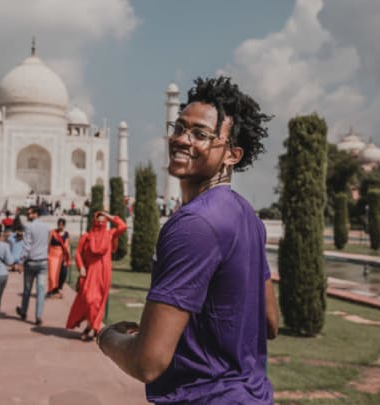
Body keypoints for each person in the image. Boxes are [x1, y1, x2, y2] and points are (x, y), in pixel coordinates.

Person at [97, 77, 279, 404]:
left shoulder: (193, 225)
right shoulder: (247, 215)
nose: (182, 139)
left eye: (201, 134)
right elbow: (269, 322)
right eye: (179, 127)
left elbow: (147, 363)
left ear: (232, 155)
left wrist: (108, 338)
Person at [66, 212, 126, 340]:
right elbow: (78, 253)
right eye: (98, 221)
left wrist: (108, 215)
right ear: (93, 221)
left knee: (98, 302)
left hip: (104, 272)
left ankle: (92, 327)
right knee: (89, 300)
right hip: (90, 272)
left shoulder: (110, 235)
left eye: (103, 221)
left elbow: (123, 226)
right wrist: (81, 267)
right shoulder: (87, 237)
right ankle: (94, 326)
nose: (100, 223)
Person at [15, 206, 50, 325]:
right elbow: (48, 243)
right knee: (40, 290)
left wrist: (20, 262)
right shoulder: (46, 227)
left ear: (36, 214)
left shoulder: (29, 227)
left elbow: (26, 247)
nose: (28, 215)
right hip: (43, 262)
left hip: (31, 262)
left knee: (27, 290)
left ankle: (24, 311)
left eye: (30, 213)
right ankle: (38, 315)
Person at [46, 218, 71, 299]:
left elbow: (67, 246)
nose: (60, 226)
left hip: (61, 255)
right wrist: (46, 254)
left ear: (64, 225)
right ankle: (52, 289)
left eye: (62, 225)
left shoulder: (66, 234)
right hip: (52, 256)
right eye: (59, 224)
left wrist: (68, 257)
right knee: (52, 274)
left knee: (62, 273)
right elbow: (48, 243)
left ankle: (59, 289)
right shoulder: (52, 232)